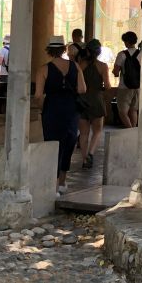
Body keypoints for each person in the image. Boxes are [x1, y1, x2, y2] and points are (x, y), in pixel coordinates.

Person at [34, 35, 86, 195]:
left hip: (52, 109)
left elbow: (38, 95)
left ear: (49, 50)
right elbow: (83, 89)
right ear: (64, 49)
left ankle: (53, 184)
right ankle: (62, 181)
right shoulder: (74, 66)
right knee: (68, 143)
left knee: (52, 145)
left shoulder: (43, 69)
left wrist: (43, 107)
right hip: (71, 109)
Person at [77, 38, 111, 169]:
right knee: (97, 131)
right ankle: (91, 153)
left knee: (83, 133)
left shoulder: (80, 65)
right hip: (96, 99)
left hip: (82, 99)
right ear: (99, 52)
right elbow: (107, 85)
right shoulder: (103, 66)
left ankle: (85, 159)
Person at [113, 31, 141, 128]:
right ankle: (133, 132)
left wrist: (116, 72)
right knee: (133, 110)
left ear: (127, 42)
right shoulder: (141, 54)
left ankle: (129, 130)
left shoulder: (122, 54)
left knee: (122, 112)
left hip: (124, 87)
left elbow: (116, 72)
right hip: (138, 87)